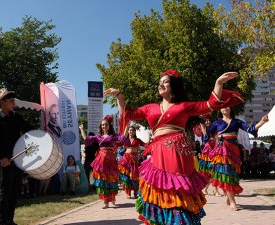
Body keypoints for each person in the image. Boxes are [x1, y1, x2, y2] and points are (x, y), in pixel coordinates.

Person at [104, 70, 243, 224]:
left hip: (177, 151)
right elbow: (127, 113)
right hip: (157, 151)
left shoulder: (183, 106)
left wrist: (218, 83)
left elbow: (210, 105)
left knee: (178, 186)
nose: (160, 84)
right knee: (158, 186)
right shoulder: (150, 108)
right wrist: (119, 95)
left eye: (165, 82)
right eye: (159, 82)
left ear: (173, 86)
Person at [208, 107, 268, 211]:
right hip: (222, 150)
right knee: (225, 173)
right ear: (220, 110)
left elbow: (250, 129)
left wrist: (262, 121)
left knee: (232, 174)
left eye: (227, 106)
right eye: (223, 106)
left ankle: (228, 194)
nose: (225, 108)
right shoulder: (216, 123)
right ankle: (232, 202)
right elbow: (208, 134)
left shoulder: (237, 121)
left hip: (233, 149)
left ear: (231, 109)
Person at [0, 88, 32, 225]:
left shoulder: (16, 117)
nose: (14, 102)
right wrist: (2, 158)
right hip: (3, 161)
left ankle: (10, 220)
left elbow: (28, 129)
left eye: (14, 99)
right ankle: (2, 222)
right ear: (2, 102)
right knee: (5, 191)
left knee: (14, 191)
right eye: (11, 100)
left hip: (17, 159)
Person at [79, 115, 130, 209]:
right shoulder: (98, 137)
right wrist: (82, 129)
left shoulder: (113, 136)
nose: (104, 126)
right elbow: (86, 139)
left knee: (112, 180)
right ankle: (105, 201)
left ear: (109, 126)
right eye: (102, 125)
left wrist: (127, 124)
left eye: (106, 124)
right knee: (102, 181)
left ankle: (113, 197)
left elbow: (123, 137)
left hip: (111, 160)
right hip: (101, 161)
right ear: (100, 127)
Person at [118, 125, 147, 199]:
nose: (131, 132)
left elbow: (145, 145)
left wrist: (150, 140)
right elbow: (119, 141)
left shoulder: (138, 140)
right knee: (127, 177)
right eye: (130, 130)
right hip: (126, 159)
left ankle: (135, 192)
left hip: (134, 160)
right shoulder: (126, 139)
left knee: (134, 177)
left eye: (133, 130)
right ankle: (128, 193)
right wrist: (126, 126)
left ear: (135, 132)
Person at [197, 116, 222, 197]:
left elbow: (217, 138)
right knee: (207, 173)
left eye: (209, 121)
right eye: (206, 121)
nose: (208, 122)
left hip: (214, 152)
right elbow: (203, 128)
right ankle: (206, 189)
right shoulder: (204, 130)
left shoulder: (215, 130)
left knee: (215, 172)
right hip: (207, 153)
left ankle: (215, 190)